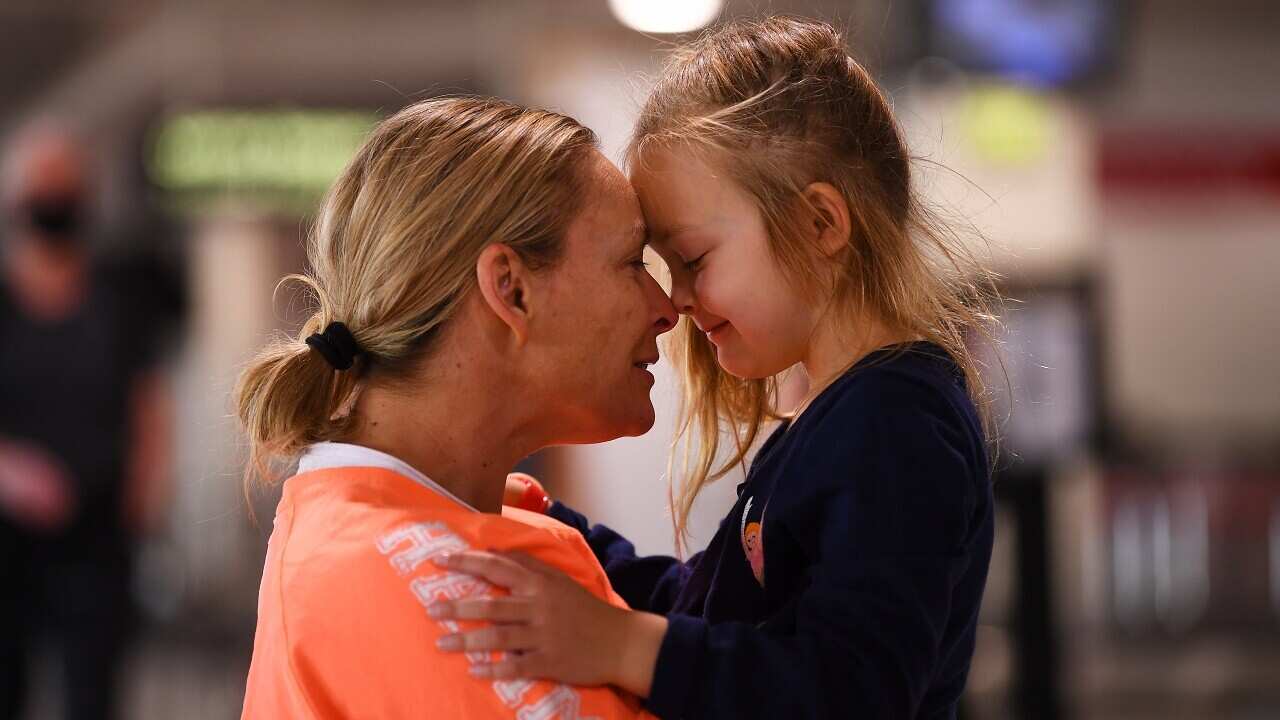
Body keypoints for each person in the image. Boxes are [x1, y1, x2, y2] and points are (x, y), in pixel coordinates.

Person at [430, 17, 1002, 720]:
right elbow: (706, 612)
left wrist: (621, 646)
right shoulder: (839, 418)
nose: (676, 299)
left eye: (693, 260)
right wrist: (560, 529)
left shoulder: (895, 423)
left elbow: (853, 691)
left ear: (820, 224)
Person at [235, 97, 677, 718]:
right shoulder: (439, 590)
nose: (667, 305)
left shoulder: (450, 530)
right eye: (633, 262)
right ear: (511, 290)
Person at [0, 122, 173, 720]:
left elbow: (149, 407)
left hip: (98, 535)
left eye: (64, 186)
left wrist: (143, 508)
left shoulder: (118, 301)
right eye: (40, 187)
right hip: (9, 533)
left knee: (93, 694)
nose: (53, 201)